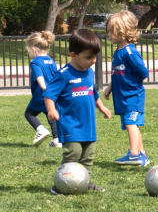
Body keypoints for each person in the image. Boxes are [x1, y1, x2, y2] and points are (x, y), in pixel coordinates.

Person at [44, 29, 112, 193]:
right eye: (89, 57)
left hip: (88, 124)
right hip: (70, 124)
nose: (93, 61)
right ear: (73, 55)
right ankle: (60, 184)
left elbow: (93, 92)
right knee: (73, 153)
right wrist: (51, 110)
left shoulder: (89, 72)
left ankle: (84, 182)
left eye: (95, 57)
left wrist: (101, 107)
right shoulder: (63, 74)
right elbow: (49, 94)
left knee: (88, 156)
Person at [103, 10, 150, 167]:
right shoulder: (118, 52)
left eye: (111, 31)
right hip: (122, 97)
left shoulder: (129, 51)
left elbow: (143, 72)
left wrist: (132, 83)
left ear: (122, 32)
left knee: (131, 123)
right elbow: (118, 73)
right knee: (133, 125)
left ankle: (134, 153)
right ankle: (142, 154)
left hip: (132, 97)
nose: (108, 34)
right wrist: (110, 87)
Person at [24, 31, 61, 147]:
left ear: (34, 49)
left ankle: (40, 130)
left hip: (41, 94)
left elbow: (40, 78)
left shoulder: (35, 62)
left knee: (29, 114)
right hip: (52, 95)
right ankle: (57, 139)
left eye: (28, 50)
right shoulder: (51, 61)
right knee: (50, 114)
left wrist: (45, 89)